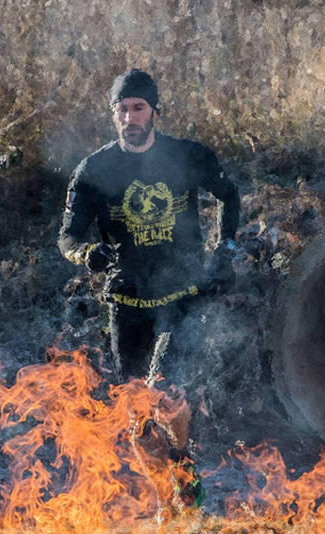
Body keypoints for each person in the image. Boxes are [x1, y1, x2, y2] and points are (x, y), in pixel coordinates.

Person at [59, 68, 241, 382]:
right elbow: (67, 238)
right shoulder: (93, 170)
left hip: (182, 295)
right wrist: (86, 253)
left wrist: (225, 250)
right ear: (113, 114)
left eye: (138, 108)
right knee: (131, 399)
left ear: (155, 111)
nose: (129, 118)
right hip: (127, 301)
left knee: (169, 387)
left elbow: (230, 195)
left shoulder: (187, 156)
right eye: (122, 109)